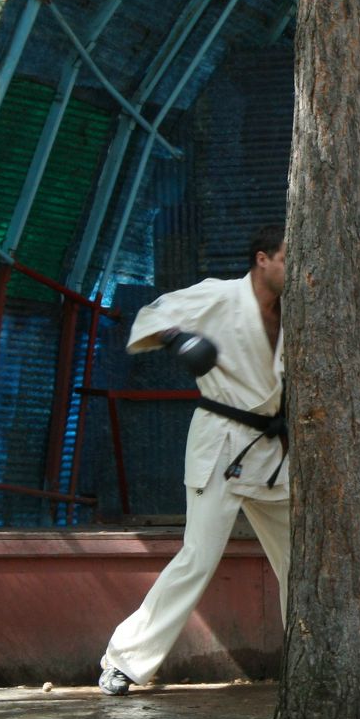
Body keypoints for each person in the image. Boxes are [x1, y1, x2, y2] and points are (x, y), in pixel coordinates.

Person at [99, 225, 290, 694]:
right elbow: (151, 315)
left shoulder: (298, 311)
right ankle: (124, 660)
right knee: (198, 557)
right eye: (288, 258)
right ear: (262, 258)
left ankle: (314, 658)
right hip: (222, 440)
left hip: (271, 447)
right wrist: (177, 339)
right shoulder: (218, 296)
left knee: (300, 559)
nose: (296, 268)